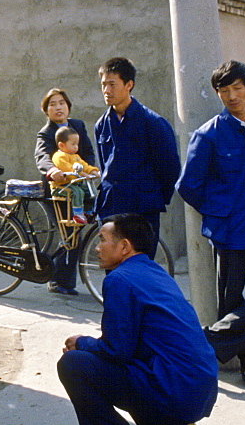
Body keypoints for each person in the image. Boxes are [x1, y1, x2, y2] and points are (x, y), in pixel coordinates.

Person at [57, 214, 218, 425]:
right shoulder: (154, 271)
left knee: (74, 364)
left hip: (176, 389)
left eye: (102, 240)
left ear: (124, 247)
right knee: (140, 360)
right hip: (199, 390)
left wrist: (82, 343)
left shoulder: (119, 279)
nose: (97, 248)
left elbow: (117, 350)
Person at [176, 60, 245, 394]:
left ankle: (205, 343)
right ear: (218, 93)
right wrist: (220, 212)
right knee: (230, 301)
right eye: (224, 90)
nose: (232, 96)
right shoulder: (208, 134)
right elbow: (188, 186)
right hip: (230, 231)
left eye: (238, 88)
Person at [94, 57, 180, 260]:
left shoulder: (153, 123)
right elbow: (104, 164)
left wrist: (152, 197)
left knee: (140, 269)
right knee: (113, 270)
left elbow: (169, 170)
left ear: (129, 84)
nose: (107, 90)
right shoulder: (102, 125)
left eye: (112, 84)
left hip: (141, 210)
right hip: (112, 207)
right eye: (103, 85)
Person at [34, 87, 96, 295]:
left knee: (76, 231)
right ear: (46, 110)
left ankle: (57, 274)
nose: (58, 107)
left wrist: (92, 170)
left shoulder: (77, 126)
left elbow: (87, 152)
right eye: (52, 104)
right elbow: (41, 156)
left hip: (78, 185)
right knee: (69, 233)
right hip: (58, 190)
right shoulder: (46, 133)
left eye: (61, 103)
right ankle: (60, 282)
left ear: (68, 106)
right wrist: (53, 170)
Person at [51, 126, 99, 224]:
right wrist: (81, 174)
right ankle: (77, 214)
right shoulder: (59, 156)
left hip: (74, 183)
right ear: (61, 145)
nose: (76, 147)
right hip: (61, 186)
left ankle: (88, 212)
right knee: (78, 192)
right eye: (73, 144)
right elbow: (67, 168)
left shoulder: (76, 156)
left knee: (90, 191)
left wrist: (92, 171)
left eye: (77, 144)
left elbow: (84, 165)